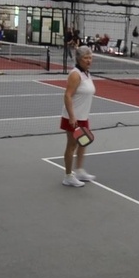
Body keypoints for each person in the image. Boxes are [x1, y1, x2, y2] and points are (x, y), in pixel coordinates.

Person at [61, 46, 97, 187]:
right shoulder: (75, 74)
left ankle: (80, 171)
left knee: (83, 143)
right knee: (72, 146)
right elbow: (67, 95)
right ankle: (68, 176)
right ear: (79, 59)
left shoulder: (87, 73)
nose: (89, 60)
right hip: (73, 117)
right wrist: (72, 116)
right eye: (86, 58)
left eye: (90, 58)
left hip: (83, 116)